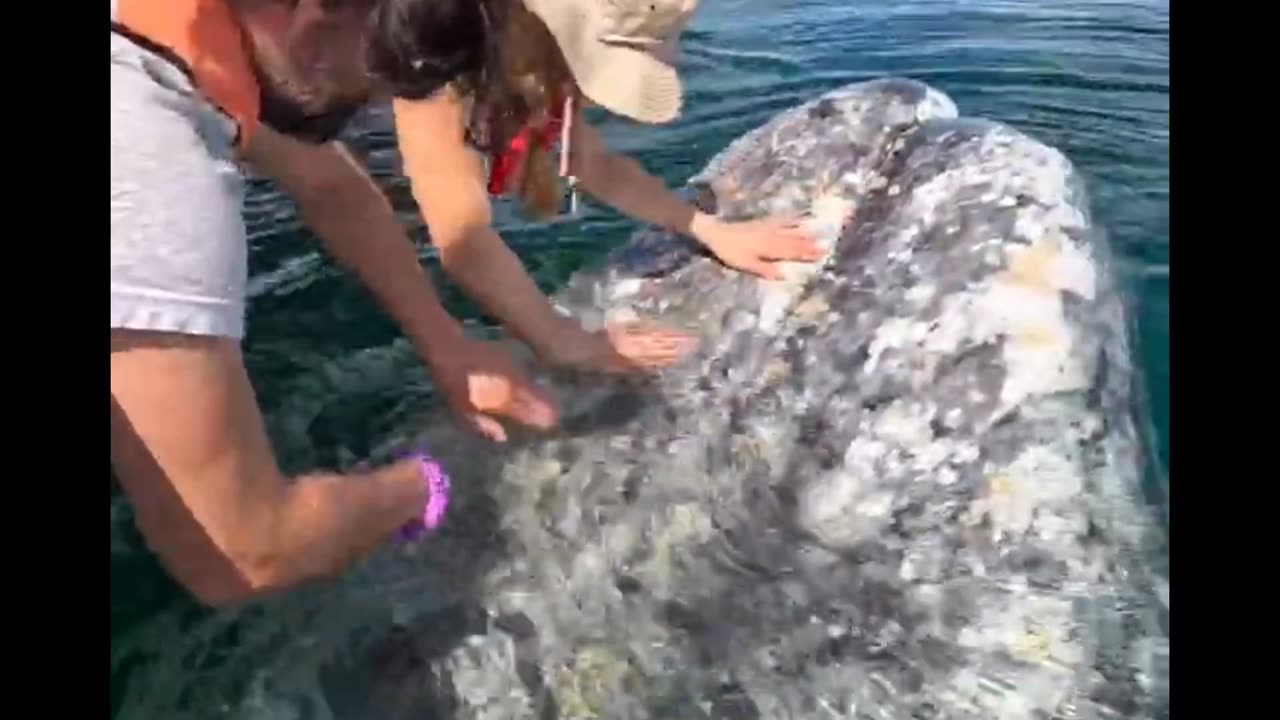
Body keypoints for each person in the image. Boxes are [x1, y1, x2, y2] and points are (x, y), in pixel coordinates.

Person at [110, 0, 556, 607]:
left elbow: (332, 185)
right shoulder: (153, 163)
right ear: (316, 21)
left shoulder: (174, 35)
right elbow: (244, 552)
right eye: (404, 53)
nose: (384, 97)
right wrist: (421, 485)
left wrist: (449, 345)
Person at [382, 0, 825, 374]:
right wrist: (563, 340)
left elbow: (595, 164)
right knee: (393, 206)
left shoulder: (537, 50)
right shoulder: (435, 35)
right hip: (364, 91)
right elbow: (462, 237)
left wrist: (708, 230)